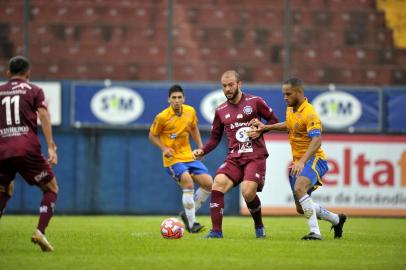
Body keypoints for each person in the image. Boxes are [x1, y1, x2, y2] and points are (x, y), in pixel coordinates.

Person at [248, 77, 347, 240]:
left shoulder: (309, 113)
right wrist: (266, 127)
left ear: (299, 92)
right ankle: (336, 219)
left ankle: (315, 233)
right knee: (301, 208)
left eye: (288, 94)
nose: (285, 97)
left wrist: (302, 161)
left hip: (314, 159)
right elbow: (289, 124)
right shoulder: (291, 109)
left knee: (300, 188)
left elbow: (317, 140)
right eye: (283, 94)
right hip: (298, 163)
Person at [193, 70, 279, 238]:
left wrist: (261, 130)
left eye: (231, 85)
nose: (227, 89)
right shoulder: (220, 110)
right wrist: (202, 150)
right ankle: (216, 232)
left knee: (247, 192)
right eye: (224, 86)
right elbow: (214, 138)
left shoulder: (255, 102)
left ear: (239, 84)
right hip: (234, 158)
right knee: (217, 184)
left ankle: (259, 226)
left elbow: (274, 121)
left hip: (255, 155)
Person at [0, 56, 59, 251]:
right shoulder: (34, 90)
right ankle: (40, 232)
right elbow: (43, 114)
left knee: (3, 190)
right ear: (28, 74)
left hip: (2, 149)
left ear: (8, 73)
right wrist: (51, 146)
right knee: (51, 188)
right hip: (26, 149)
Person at [149, 84, 212, 233]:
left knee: (209, 183)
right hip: (173, 159)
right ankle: (192, 224)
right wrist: (164, 149)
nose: (177, 100)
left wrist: (201, 147)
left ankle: (187, 214)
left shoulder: (190, 111)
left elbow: (193, 128)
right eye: (174, 98)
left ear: (184, 98)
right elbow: (152, 135)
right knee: (188, 184)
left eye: (179, 97)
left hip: (188, 155)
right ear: (169, 100)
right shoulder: (162, 117)